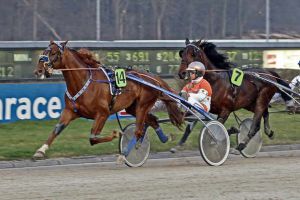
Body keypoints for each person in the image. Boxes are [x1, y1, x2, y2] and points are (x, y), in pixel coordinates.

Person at [170, 61, 212, 153]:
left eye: (192, 72)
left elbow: (200, 97)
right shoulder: (189, 84)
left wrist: (187, 95)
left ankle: (182, 112)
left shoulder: (205, 83)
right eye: (189, 72)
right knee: (175, 100)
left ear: (198, 73)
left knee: (190, 99)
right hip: (192, 108)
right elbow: (181, 94)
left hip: (203, 108)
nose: (190, 74)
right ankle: (180, 112)